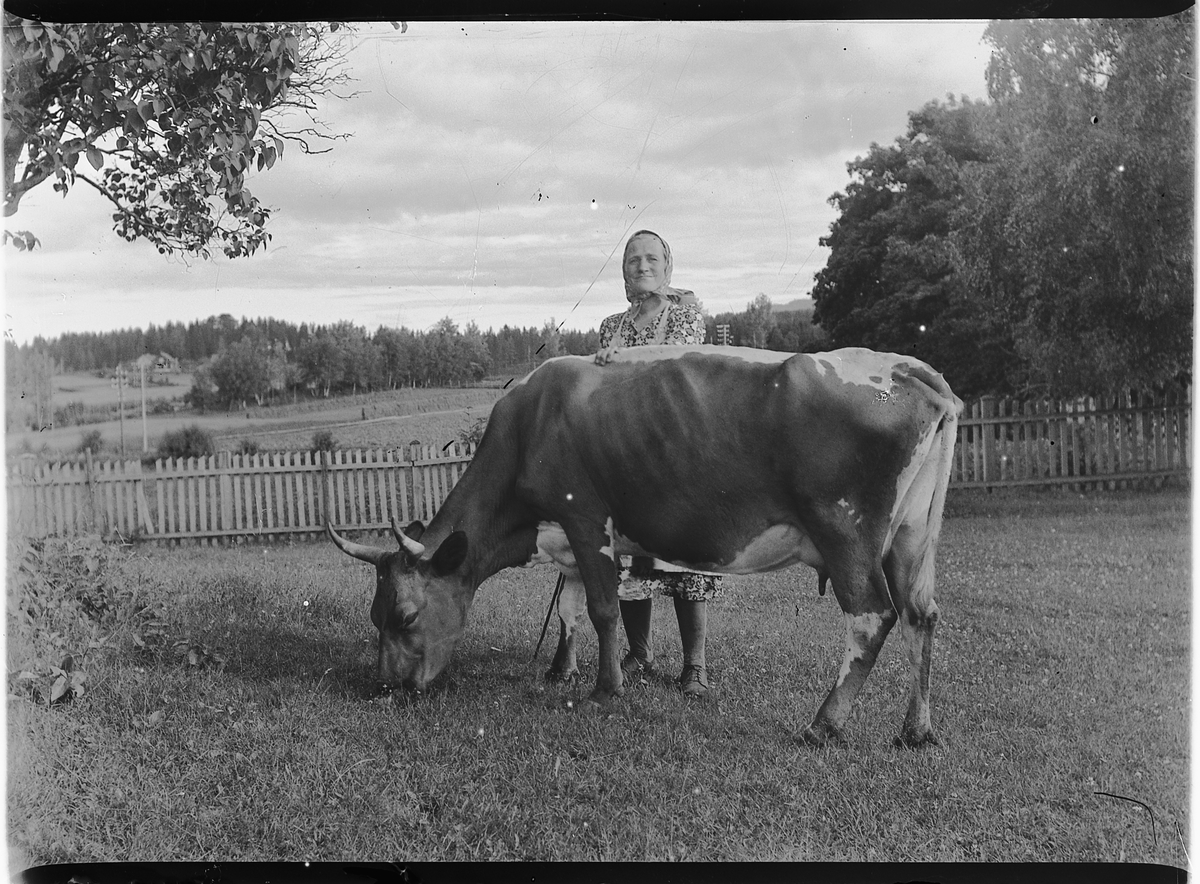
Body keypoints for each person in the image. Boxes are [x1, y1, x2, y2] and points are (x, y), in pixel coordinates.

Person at [594, 229, 721, 698]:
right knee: (629, 557)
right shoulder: (610, 327)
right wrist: (603, 366)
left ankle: (695, 665)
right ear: (623, 271)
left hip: (679, 456)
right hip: (627, 458)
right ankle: (641, 651)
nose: (642, 266)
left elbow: (670, 372)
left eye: (652, 259)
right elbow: (603, 390)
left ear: (668, 267)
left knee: (685, 559)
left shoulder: (685, 317)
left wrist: (619, 367)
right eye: (633, 260)